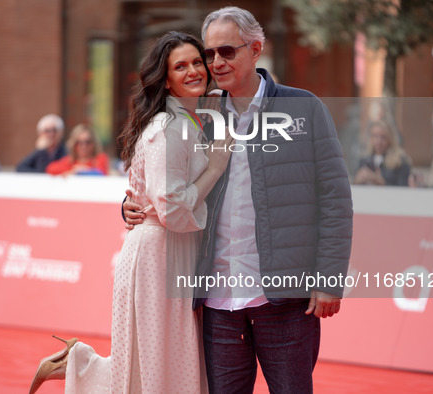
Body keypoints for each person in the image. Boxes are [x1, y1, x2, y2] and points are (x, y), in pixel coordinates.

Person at [124, 6, 353, 393]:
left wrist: (329, 279)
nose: (215, 62)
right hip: (216, 305)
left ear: (256, 49)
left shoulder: (305, 109)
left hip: (284, 301)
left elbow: (335, 199)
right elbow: (165, 173)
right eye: (209, 54)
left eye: (226, 52)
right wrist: (131, 204)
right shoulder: (201, 111)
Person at [28, 31, 233, 394]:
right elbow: (169, 208)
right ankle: (81, 364)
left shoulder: (191, 119)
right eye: (180, 66)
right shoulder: (167, 130)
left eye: (196, 63)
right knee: (157, 367)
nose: (193, 72)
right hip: (161, 254)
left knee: (156, 365)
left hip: (173, 251)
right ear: (165, 79)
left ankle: (79, 362)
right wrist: (215, 167)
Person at [354, 120, 412, 186]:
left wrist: (381, 182)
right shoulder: (364, 161)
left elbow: (404, 189)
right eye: (375, 136)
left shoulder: (400, 162)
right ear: (370, 138)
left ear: (390, 139)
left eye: (383, 137)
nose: (379, 141)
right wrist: (357, 181)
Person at [45, 124, 109, 176]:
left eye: (87, 142)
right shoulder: (70, 160)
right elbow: (50, 169)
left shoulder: (100, 158)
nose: (84, 146)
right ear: (73, 144)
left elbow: (101, 173)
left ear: (94, 143)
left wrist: (81, 171)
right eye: (79, 142)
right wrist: (72, 171)